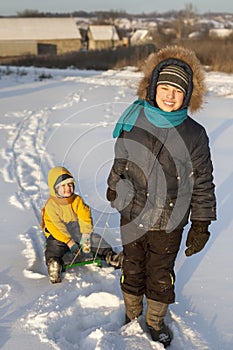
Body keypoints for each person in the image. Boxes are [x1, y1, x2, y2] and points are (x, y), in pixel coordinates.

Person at [106, 45, 216, 347]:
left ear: (187, 95)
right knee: (132, 266)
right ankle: (131, 314)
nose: (170, 95)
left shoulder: (194, 134)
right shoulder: (136, 119)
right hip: (133, 213)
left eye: (178, 90)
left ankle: (154, 321)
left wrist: (201, 223)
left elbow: (203, 181)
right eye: (165, 87)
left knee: (160, 274)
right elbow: (122, 156)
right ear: (153, 88)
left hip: (170, 221)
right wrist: (114, 183)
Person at [41, 166, 123, 284]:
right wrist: (69, 242)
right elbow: (55, 226)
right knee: (54, 246)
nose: (67, 188)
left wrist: (85, 235)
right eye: (63, 186)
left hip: (76, 229)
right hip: (58, 234)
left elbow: (85, 217)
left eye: (70, 184)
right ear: (55, 188)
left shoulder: (76, 200)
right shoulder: (51, 205)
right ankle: (54, 263)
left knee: (95, 239)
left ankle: (110, 256)